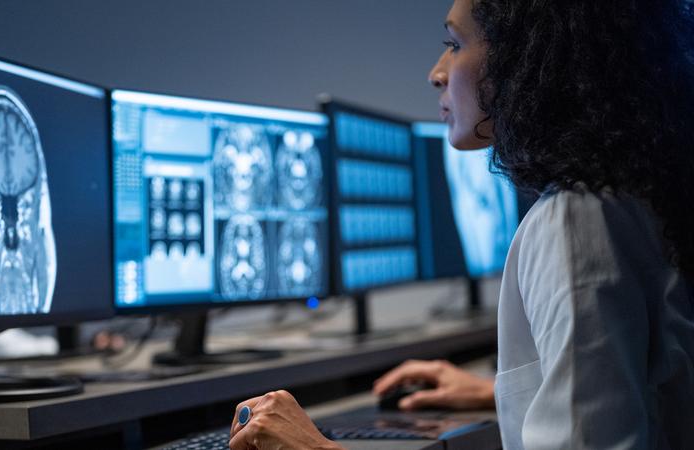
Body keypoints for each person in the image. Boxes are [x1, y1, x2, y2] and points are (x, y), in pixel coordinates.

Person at [227, 0, 694, 448]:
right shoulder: (634, 196)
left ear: (526, 55)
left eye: (454, 43)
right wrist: (498, 390)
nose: (437, 73)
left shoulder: (574, 221)